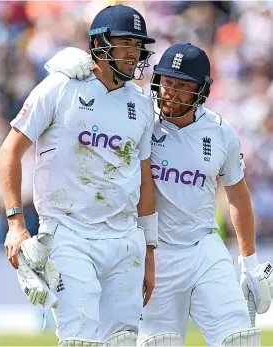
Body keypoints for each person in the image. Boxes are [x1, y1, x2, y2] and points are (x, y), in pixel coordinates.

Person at [45, 43, 273, 347]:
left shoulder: (220, 133)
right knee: (159, 343)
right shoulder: (138, 117)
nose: (170, 92)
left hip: (204, 247)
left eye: (182, 86)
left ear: (202, 90)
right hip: (153, 253)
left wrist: (249, 264)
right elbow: (103, 94)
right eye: (167, 82)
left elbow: (239, 196)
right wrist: (74, 68)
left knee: (240, 341)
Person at [0, 5, 158, 346]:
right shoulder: (59, 87)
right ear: (100, 43)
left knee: (123, 340)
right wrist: (16, 223)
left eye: (138, 44)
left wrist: (149, 252)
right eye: (125, 42)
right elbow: (9, 151)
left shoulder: (142, 104)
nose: (134, 52)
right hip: (68, 233)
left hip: (125, 239)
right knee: (79, 340)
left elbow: (145, 180)